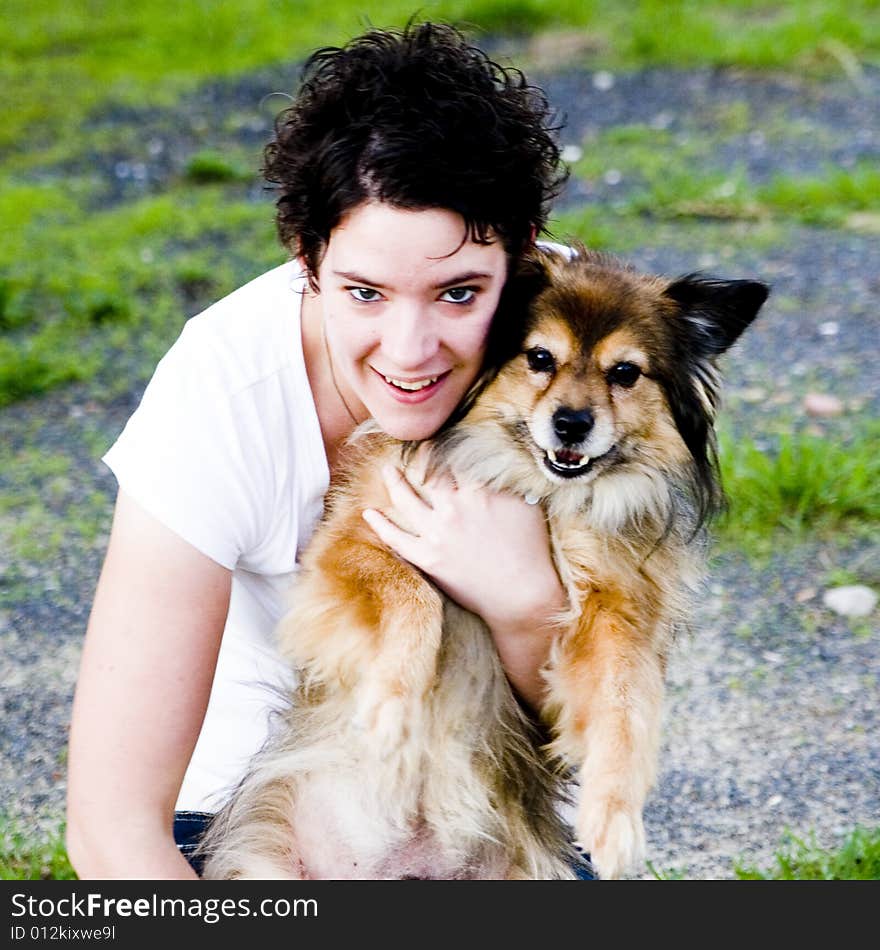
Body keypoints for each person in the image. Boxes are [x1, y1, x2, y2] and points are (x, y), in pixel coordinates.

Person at [65, 21, 582, 879]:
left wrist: (526, 605)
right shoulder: (222, 392)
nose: (410, 350)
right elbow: (110, 828)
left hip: (486, 814)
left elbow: (598, 749)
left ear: (525, 254)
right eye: (365, 293)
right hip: (266, 810)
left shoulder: (578, 370)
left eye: (459, 293)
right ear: (308, 259)